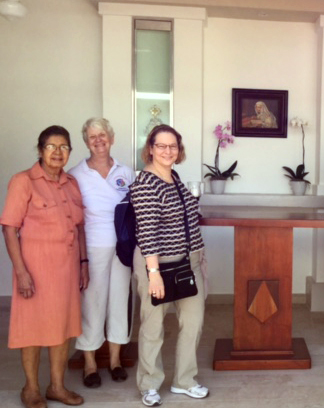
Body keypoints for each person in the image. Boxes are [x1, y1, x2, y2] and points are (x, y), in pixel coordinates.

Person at [1, 126, 88, 408]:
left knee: (62, 328)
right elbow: (9, 229)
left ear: (70, 152)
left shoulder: (72, 183)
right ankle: (31, 388)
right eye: (51, 146)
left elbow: (79, 227)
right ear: (40, 150)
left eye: (64, 147)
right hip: (35, 271)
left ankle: (57, 387)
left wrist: (84, 264)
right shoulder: (23, 181)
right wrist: (21, 272)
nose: (57, 152)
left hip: (67, 270)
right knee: (33, 329)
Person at [129, 124, 208, 406]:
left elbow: (187, 222)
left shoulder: (174, 177)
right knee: (153, 326)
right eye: (161, 145)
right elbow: (147, 233)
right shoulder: (146, 184)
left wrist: (199, 255)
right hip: (157, 265)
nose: (167, 151)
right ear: (150, 149)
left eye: (172, 146)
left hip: (188, 264)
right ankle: (149, 384)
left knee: (193, 323)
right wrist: (153, 274)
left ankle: (184, 381)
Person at [68, 118, 135, 388]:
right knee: (92, 303)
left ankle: (115, 360)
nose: (98, 140)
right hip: (93, 246)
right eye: (93, 136)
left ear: (112, 138)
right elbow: (73, 218)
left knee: (119, 302)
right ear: (86, 142)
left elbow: (134, 211)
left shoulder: (126, 172)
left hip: (123, 246)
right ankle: (90, 363)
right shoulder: (75, 174)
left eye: (103, 135)